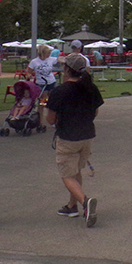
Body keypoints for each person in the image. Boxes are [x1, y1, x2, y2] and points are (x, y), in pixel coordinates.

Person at [45, 53, 104, 227]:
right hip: (87, 136)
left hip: (68, 137)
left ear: (67, 69)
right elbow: (95, 112)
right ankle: (72, 206)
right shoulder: (90, 88)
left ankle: (85, 202)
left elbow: (50, 119)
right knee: (76, 170)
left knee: (66, 175)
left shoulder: (59, 91)